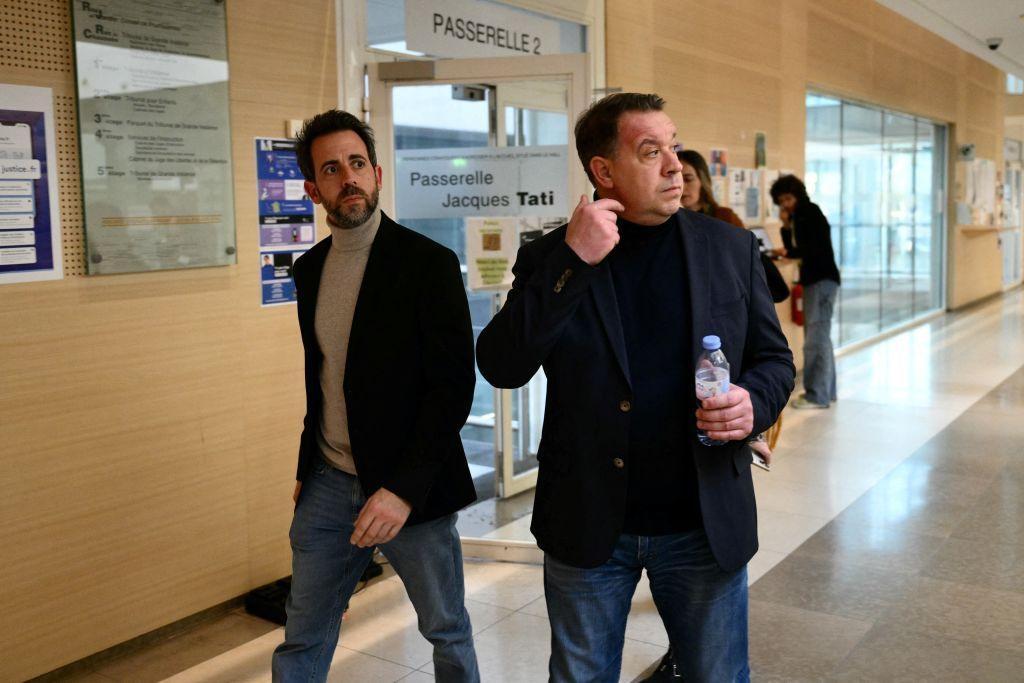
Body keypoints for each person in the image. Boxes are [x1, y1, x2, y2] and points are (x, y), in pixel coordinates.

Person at [476, 93, 795, 682]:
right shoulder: (553, 255)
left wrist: (753, 402)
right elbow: (501, 364)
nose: (676, 165)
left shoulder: (726, 248)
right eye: (652, 152)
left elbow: (775, 360)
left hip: (702, 521)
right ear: (603, 171)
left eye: (673, 146)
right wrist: (574, 260)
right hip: (590, 520)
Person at [271, 109, 480, 683]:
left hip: (410, 487)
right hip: (329, 482)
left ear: (379, 173)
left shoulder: (427, 264)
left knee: (447, 629)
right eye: (332, 169)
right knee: (303, 635)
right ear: (314, 189)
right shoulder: (309, 270)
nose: (349, 178)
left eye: (357, 164)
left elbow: (453, 387)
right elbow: (324, 379)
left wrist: (401, 491)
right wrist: (305, 465)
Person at [769, 174, 840, 409]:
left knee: (815, 340)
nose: (786, 204)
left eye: (788, 198)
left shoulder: (810, 212)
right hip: (817, 281)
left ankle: (816, 395)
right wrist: (786, 227)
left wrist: (789, 252)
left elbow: (811, 249)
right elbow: (794, 248)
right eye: (781, 201)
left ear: (797, 194)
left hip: (821, 281)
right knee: (820, 337)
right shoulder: (799, 216)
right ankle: (826, 392)